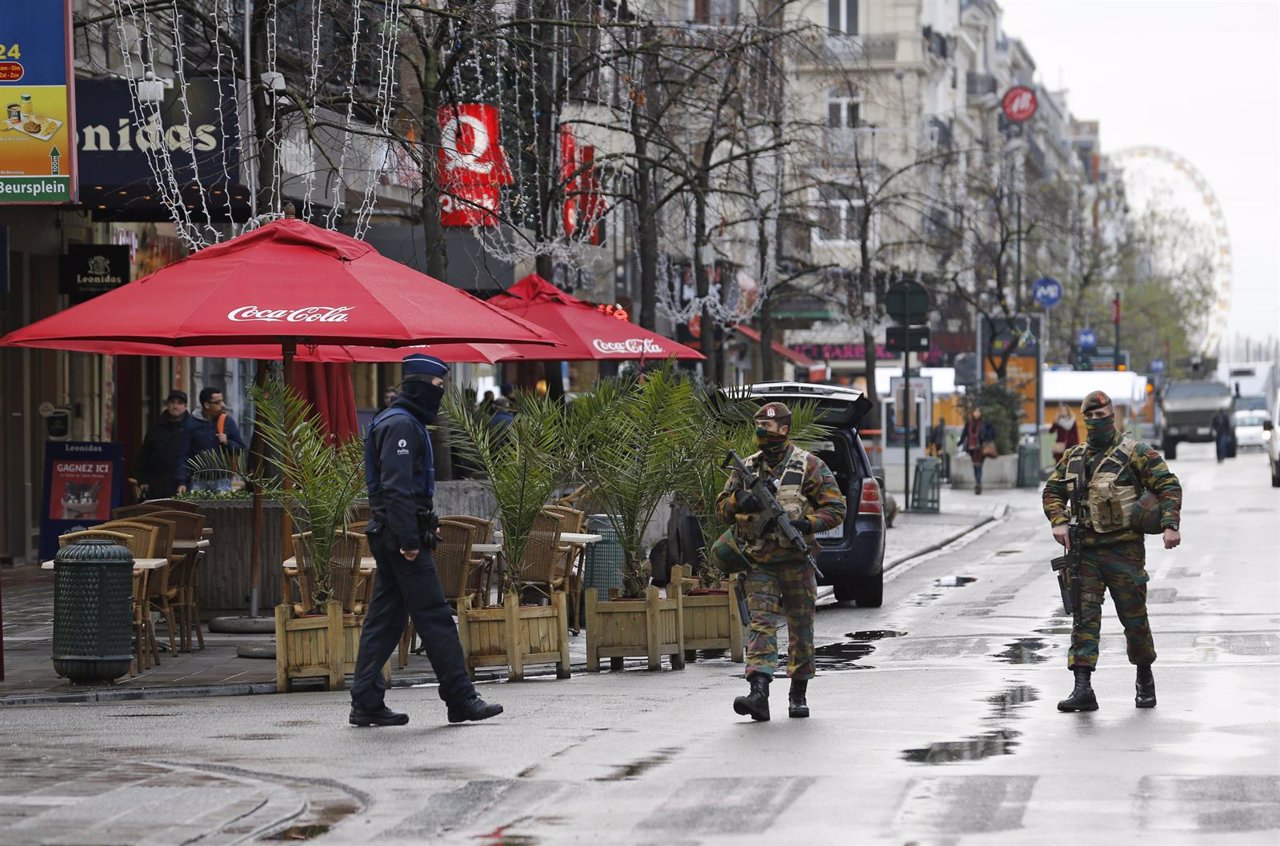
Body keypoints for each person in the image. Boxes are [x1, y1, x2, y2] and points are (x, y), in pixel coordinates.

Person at [349, 353, 503, 727]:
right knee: (434, 615)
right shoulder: (401, 425)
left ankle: (367, 701)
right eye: (436, 387)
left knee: (385, 620)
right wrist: (408, 538)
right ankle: (460, 697)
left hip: (398, 533)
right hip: (401, 538)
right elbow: (397, 489)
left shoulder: (401, 421)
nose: (440, 394)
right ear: (417, 385)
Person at [1042, 390, 1182, 712]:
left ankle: (1144, 676)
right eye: (1090, 418)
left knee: (1134, 619)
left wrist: (1170, 524)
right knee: (1084, 619)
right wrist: (1059, 520)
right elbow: (1052, 490)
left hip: (1125, 551)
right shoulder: (1075, 457)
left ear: (1113, 416)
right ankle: (1082, 687)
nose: (1096, 423)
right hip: (1085, 552)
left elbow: (1168, 485)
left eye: (1101, 417)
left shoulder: (1135, 453)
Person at [713, 402, 847, 721]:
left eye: (767, 427)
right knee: (761, 625)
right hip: (759, 560)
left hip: (797, 562)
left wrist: (807, 524)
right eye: (758, 425)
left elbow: (836, 508)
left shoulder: (808, 466)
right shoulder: (746, 468)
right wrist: (737, 501)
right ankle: (758, 692)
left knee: (801, 629)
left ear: (784, 430)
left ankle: (797, 693)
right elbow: (720, 509)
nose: (761, 431)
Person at [135, 390, 200, 500]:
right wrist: (142, 480)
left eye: (179, 403)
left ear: (185, 406)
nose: (175, 406)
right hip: (156, 485)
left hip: (184, 485)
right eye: (172, 402)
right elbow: (145, 454)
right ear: (167, 405)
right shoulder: (156, 427)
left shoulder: (193, 428)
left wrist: (184, 480)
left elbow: (196, 457)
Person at [188, 387, 246, 492]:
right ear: (206, 405)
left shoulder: (227, 421)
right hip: (198, 480)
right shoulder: (191, 423)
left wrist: (227, 442)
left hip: (222, 480)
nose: (223, 405)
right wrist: (182, 480)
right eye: (218, 402)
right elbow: (183, 452)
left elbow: (240, 448)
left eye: (222, 401)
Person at [959, 407, 997, 495]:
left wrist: (988, 438)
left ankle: (978, 484)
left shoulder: (984, 423)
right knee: (976, 466)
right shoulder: (969, 423)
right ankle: (978, 482)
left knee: (978, 466)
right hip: (972, 448)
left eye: (978, 411)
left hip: (981, 448)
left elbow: (993, 432)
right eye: (975, 411)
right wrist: (960, 442)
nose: (977, 413)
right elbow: (965, 434)